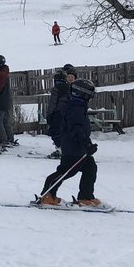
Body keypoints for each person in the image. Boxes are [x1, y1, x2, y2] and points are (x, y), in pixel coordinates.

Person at [37, 78, 103, 207]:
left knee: (90, 168)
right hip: (72, 148)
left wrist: (87, 144)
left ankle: (85, 197)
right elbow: (76, 129)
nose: (91, 97)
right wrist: (86, 144)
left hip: (79, 147)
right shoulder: (75, 108)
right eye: (90, 94)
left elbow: (80, 129)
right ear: (83, 94)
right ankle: (48, 194)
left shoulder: (78, 106)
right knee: (66, 171)